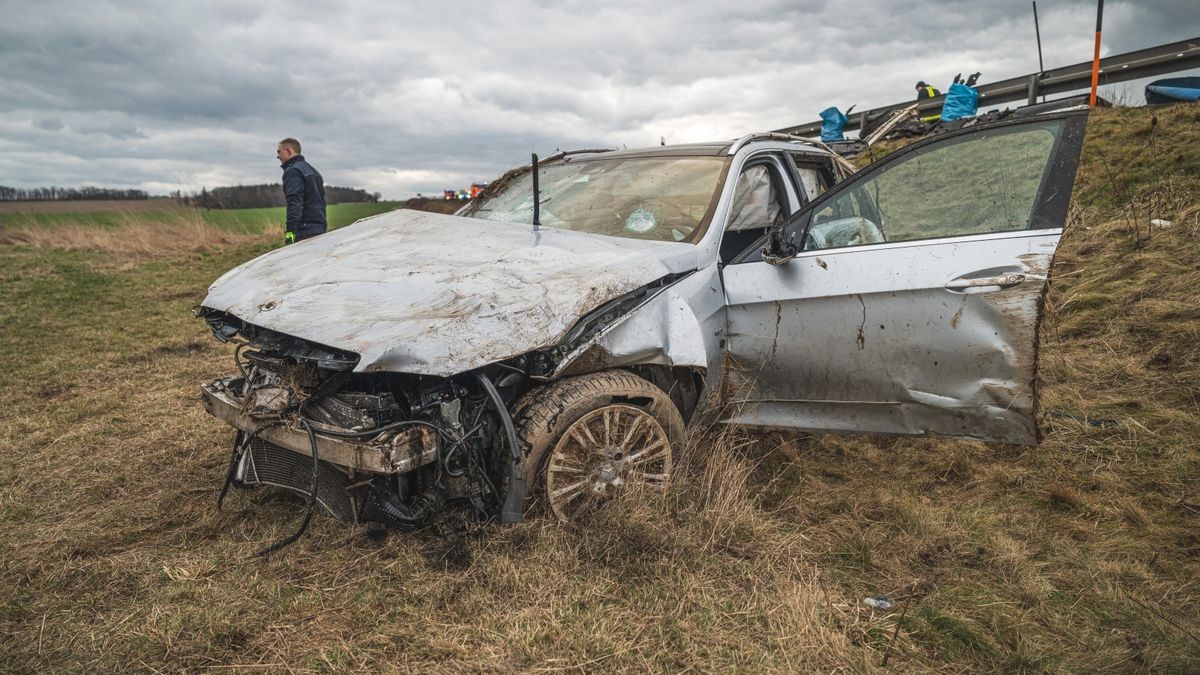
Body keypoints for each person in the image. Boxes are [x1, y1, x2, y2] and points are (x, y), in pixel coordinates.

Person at [276, 138, 327, 244]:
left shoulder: (293, 171)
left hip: (305, 231)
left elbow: (294, 203)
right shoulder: (313, 171)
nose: (277, 156)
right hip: (320, 229)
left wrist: (290, 234)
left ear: (289, 151)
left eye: (279, 151)